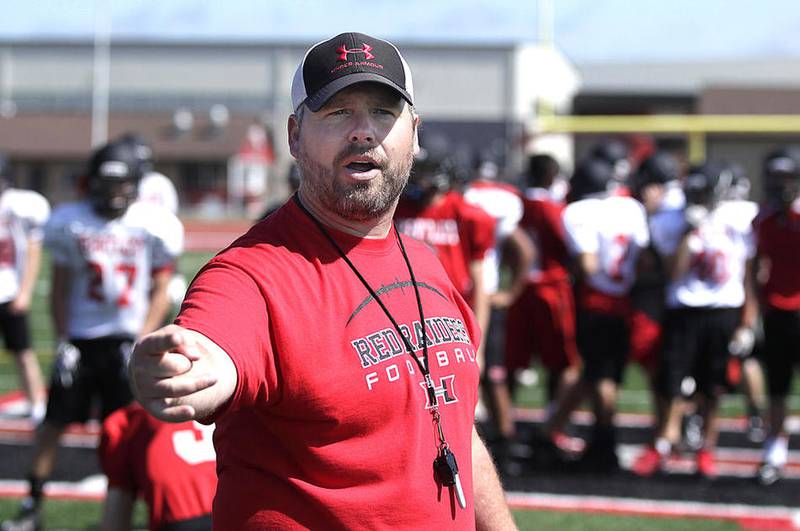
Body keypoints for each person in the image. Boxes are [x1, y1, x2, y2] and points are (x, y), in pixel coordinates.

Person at [127, 32, 516, 530]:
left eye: (382, 112)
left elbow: (455, 429)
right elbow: (215, 350)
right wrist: (184, 372)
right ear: (294, 135)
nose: (363, 132)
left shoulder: (427, 264)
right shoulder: (252, 273)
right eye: (337, 112)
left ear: (414, 134)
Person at [2, 140, 184, 531]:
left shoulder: (151, 222)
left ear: (135, 185)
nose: (113, 193)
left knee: (134, 430)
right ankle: (32, 505)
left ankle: (148, 508)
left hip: (127, 340)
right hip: (82, 340)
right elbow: (61, 288)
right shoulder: (73, 221)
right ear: (92, 183)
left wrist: (140, 339)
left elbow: (160, 288)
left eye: (121, 185)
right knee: (52, 425)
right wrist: (64, 338)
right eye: (106, 184)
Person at [633, 162, 758, 479]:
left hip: (722, 310)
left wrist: (747, 320)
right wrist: (688, 233)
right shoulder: (671, 219)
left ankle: (707, 449)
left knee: (712, 387)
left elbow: (748, 273)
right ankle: (664, 441)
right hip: (684, 309)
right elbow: (672, 271)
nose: (698, 198)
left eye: (703, 193)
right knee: (671, 382)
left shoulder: (740, 218)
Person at [562, 156, 650, 471]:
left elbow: (589, 265)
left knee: (600, 375)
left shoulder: (579, 212)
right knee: (606, 374)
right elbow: (642, 262)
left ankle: (604, 439)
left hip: (597, 301)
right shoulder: (630, 207)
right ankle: (560, 427)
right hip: (625, 299)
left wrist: (569, 270)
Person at [505, 154, 585, 459]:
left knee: (515, 360)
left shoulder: (517, 204)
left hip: (523, 287)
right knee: (562, 361)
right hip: (550, 289)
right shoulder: (553, 210)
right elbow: (569, 249)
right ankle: (552, 424)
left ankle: (506, 423)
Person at [753, 147, 800, 485]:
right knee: (777, 388)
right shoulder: (764, 220)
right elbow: (755, 267)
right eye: (775, 178)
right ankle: (775, 449)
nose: (779, 185)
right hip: (777, 313)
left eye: (786, 178)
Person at [99, 403, 217, 531]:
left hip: (178, 521)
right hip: (234, 514)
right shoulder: (224, 405)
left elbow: (116, 517)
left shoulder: (128, 422)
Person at [0, 154, 49, 423]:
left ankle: (37, 402)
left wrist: (25, 291)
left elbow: (32, 248)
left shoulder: (18, 206)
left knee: (23, 352)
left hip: (8, 291)